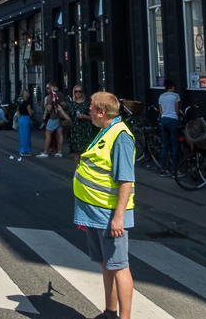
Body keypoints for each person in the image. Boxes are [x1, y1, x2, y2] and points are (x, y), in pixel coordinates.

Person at [73, 91, 136, 319]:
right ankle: (110, 312)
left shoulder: (121, 137)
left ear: (101, 112)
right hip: (96, 212)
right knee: (106, 264)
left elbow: (126, 180)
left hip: (110, 215)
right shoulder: (106, 131)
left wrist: (118, 217)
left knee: (119, 266)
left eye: (91, 108)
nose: (88, 111)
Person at [67, 84, 97, 165]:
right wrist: (60, 110)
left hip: (85, 129)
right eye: (76, 91)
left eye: (80, 91)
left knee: (86, 151)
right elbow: (69, 118)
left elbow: (93, 118)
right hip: (75, 130)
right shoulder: (71, 104)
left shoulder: (88, 103)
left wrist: (83, 116)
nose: (78, 93)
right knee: (77, 152)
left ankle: (87, 170)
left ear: (83, 92)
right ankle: (78, 170)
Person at [158, 81, 181, 176]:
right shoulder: (175, 96)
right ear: (171, 86)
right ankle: (174, 170)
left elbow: (161, 111)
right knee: (175, 145)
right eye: (174, 86)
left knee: (165, 144)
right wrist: (182, 114)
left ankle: (163, 169)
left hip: (164, 120)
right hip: (172, 121)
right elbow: (177, 111)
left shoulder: (161, 97)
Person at [38, 83, 65, 158]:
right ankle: (60, 151)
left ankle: (45, 152)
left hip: (54, 116)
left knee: (48, 133)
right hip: (61, 116)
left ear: (52, 86)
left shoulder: (52, 96)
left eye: (49, 87)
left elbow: (49, 109)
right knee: (60, 134)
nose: (48, 89)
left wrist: (48, 105)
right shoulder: (61, 94)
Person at [18, 89, 34, 156]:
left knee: (22, 135)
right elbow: (30, 113)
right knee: (26, 135)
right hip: (26, 119)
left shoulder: (20, 102)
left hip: (21, 118)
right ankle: (25, 150)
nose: (29, 94)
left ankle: (21, 149)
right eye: (28, 93)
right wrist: (32, 111)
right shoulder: (27, 103)